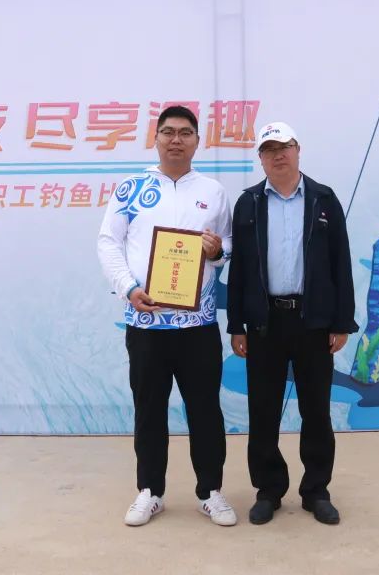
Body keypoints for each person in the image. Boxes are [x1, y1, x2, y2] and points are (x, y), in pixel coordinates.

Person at [97, 105, 237, 527]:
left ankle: (210, 492)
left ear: (197, 141)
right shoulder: (131, 188)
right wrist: (128, 288)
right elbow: (108, 242)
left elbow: (229, 243)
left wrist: (218, 250)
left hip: (198, 325)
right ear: (155, 139)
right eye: (169, 132)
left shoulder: (213, 191)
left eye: (185, 133)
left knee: (205, 410)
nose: (176, 140)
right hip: (146, 323)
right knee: (149, 409)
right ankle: (149, 491)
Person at [226, 121, 357, 526]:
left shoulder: (323, 199)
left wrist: (341, 322)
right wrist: (236, 325)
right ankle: (268, 490)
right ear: (260, 158)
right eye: (269, 149)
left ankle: (316, 490)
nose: (278, 154)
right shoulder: (248, 203)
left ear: (298, 149)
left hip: (312, 321)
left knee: (315, 409)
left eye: (284, 146)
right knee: (263, 410)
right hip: (265, 324)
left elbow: (340, 263)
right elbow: (239, 268)